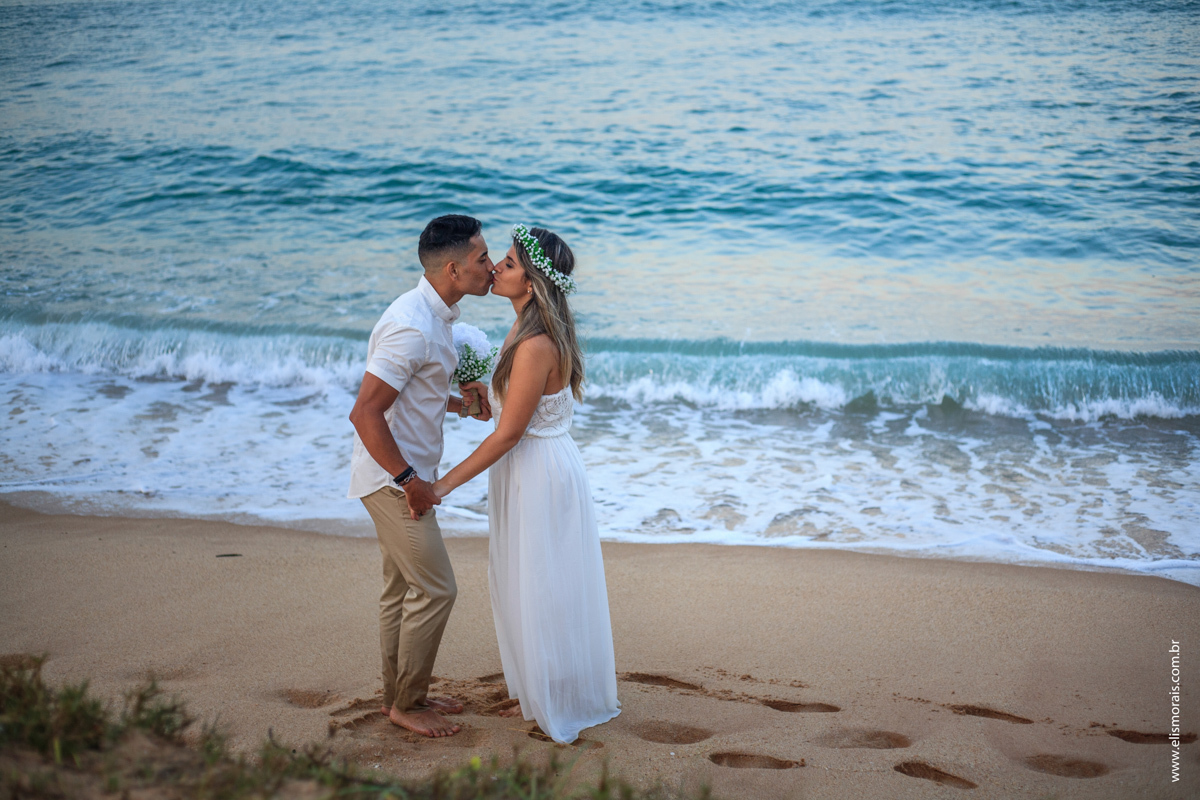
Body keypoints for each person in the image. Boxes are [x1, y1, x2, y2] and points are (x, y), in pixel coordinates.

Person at [434, 224, 620, 744]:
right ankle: (541, 686)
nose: (496, 267)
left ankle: (556, 700)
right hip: (526, 465)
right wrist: (467, 400)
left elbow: (511, 433)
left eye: (510, 263)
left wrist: (442, 486)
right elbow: (508, 414)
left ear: (533, 283)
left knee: (543, 583)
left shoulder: (535, 343)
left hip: (539, 471)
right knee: (526, 578)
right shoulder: (522, 327)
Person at [347, 214, 494, 738]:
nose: (492, 266)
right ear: (453, 269)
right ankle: (408, 704)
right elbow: (365, 411)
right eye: (482, 258)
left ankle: (402, 695)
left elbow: (413, 395)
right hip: (393, 480)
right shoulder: (411, 326)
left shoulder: (436, 317)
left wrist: (461, 405)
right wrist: (411, 481)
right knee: (436, 590)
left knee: (401, 590)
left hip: (401, 473)